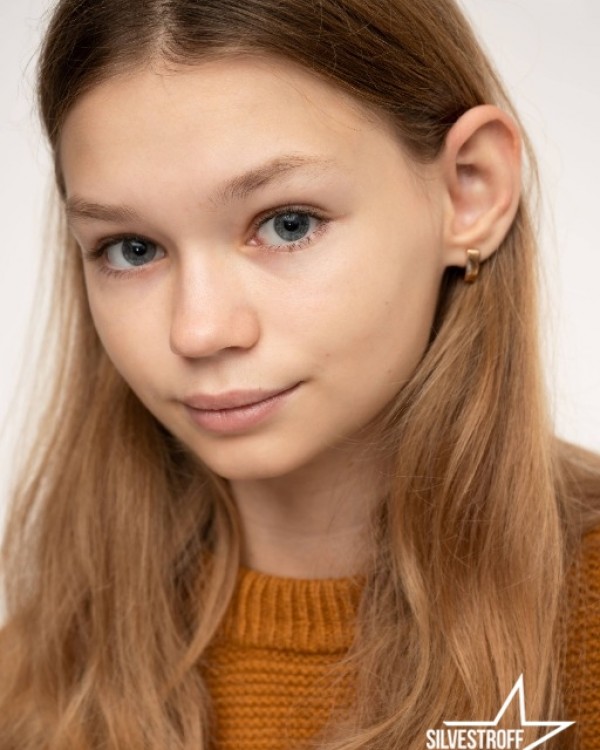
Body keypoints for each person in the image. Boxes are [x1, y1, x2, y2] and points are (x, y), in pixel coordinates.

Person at [1, 0, 599, 748]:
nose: (198, 330)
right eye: (132, 249)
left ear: (469, 191)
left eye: (288, 224)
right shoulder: (32, 683)